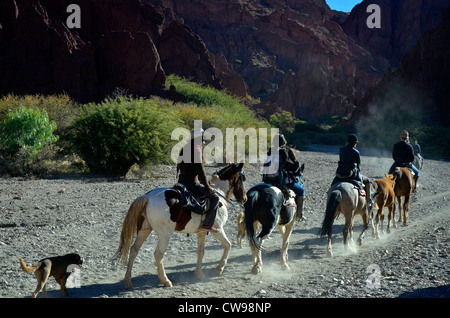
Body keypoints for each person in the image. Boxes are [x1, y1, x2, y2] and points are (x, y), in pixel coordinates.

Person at [177, 128, 220, 232]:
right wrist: (209, 187)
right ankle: (208, 224)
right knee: (215, 198)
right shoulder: (196, 151)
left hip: (181, 182)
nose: (204, 142)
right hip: (191, 184)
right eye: (202, 139)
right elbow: (201, 173)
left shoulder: (185, 148)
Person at [263, 134, 305, 221]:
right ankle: (299, 214)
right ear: (283, 142)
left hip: (268, 180)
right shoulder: (287, 151)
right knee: (301, 190)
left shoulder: (270, 151)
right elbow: (295, 165)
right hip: (282, 181)